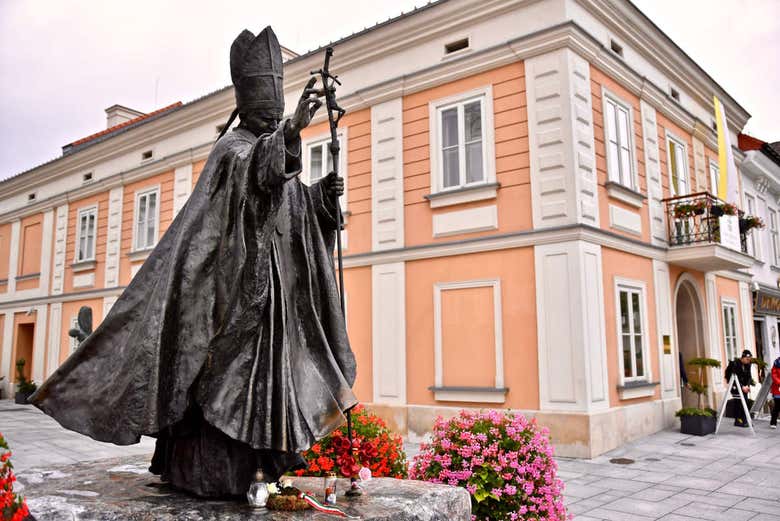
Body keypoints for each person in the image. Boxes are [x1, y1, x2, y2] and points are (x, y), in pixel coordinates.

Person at [30, 26, 357, 497]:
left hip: (272, 308)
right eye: (270, 109)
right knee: (220, 383)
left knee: (264, 388)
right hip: (230, 303)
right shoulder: (233, 149)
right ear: (249, 103)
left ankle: (258, 469)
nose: (275, 114)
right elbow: (255, 177)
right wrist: (288, 135)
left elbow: (290, 205)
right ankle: (212, 473)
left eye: (278, 110)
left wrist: (321, 200)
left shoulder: (265, 143)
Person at [725, 350, 755, 428]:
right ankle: (739, 420)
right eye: (747, 359)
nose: (748, 361)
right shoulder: (735, 364)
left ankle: (743, 420)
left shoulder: (748, 364)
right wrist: (742, 387)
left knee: (744, 401)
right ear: (743, 357)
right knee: (739, 402)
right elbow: (733, 378)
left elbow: (749, 376)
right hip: (735, 386)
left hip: (744, 387)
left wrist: (748, 386)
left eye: (749, 359)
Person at [771, 356, 780, 429]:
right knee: (777, 406)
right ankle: (773, 422)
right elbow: (774, 375)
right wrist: (779, 382)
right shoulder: (777, 362)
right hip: (777, 389)